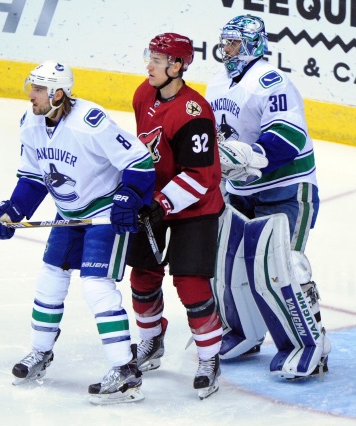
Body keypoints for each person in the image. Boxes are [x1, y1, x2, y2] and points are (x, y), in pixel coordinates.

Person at [0, 60, 156, 404]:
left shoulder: (91, 123)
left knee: (95, 286)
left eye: (38, 90)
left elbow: (139, 162)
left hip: (105, 214)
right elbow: (33, 177)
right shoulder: (30, 124)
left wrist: (128, 199)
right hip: (68, 214)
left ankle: (125, 370)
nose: (30, 95)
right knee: (49, 278)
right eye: (31, 87)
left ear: (58, 94)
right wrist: (13, 212)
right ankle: (40, 352)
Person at [205, 14, 331, 379]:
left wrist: (252, 156)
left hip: (287, 188)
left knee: (284, 267)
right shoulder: (218, 81)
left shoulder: (272, 82)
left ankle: (312, 342)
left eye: (234, 43)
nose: (226, 48)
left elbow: (288, 137)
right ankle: (245, 331)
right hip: (241, 190)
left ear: (253, 45)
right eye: (225, 41)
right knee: (230, 266)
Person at [128, 33, 225, 399]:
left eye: (157, 59)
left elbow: (201, 176)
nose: (148, 65)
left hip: (195, 206)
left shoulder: (194, 113)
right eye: (149, 56)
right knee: (143, 275)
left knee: (191, 284)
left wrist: (162, 203)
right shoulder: (143, 94)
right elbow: (146, 152)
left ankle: (209, 358)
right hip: (156, 200)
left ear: (178, 65)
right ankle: (151, 342)